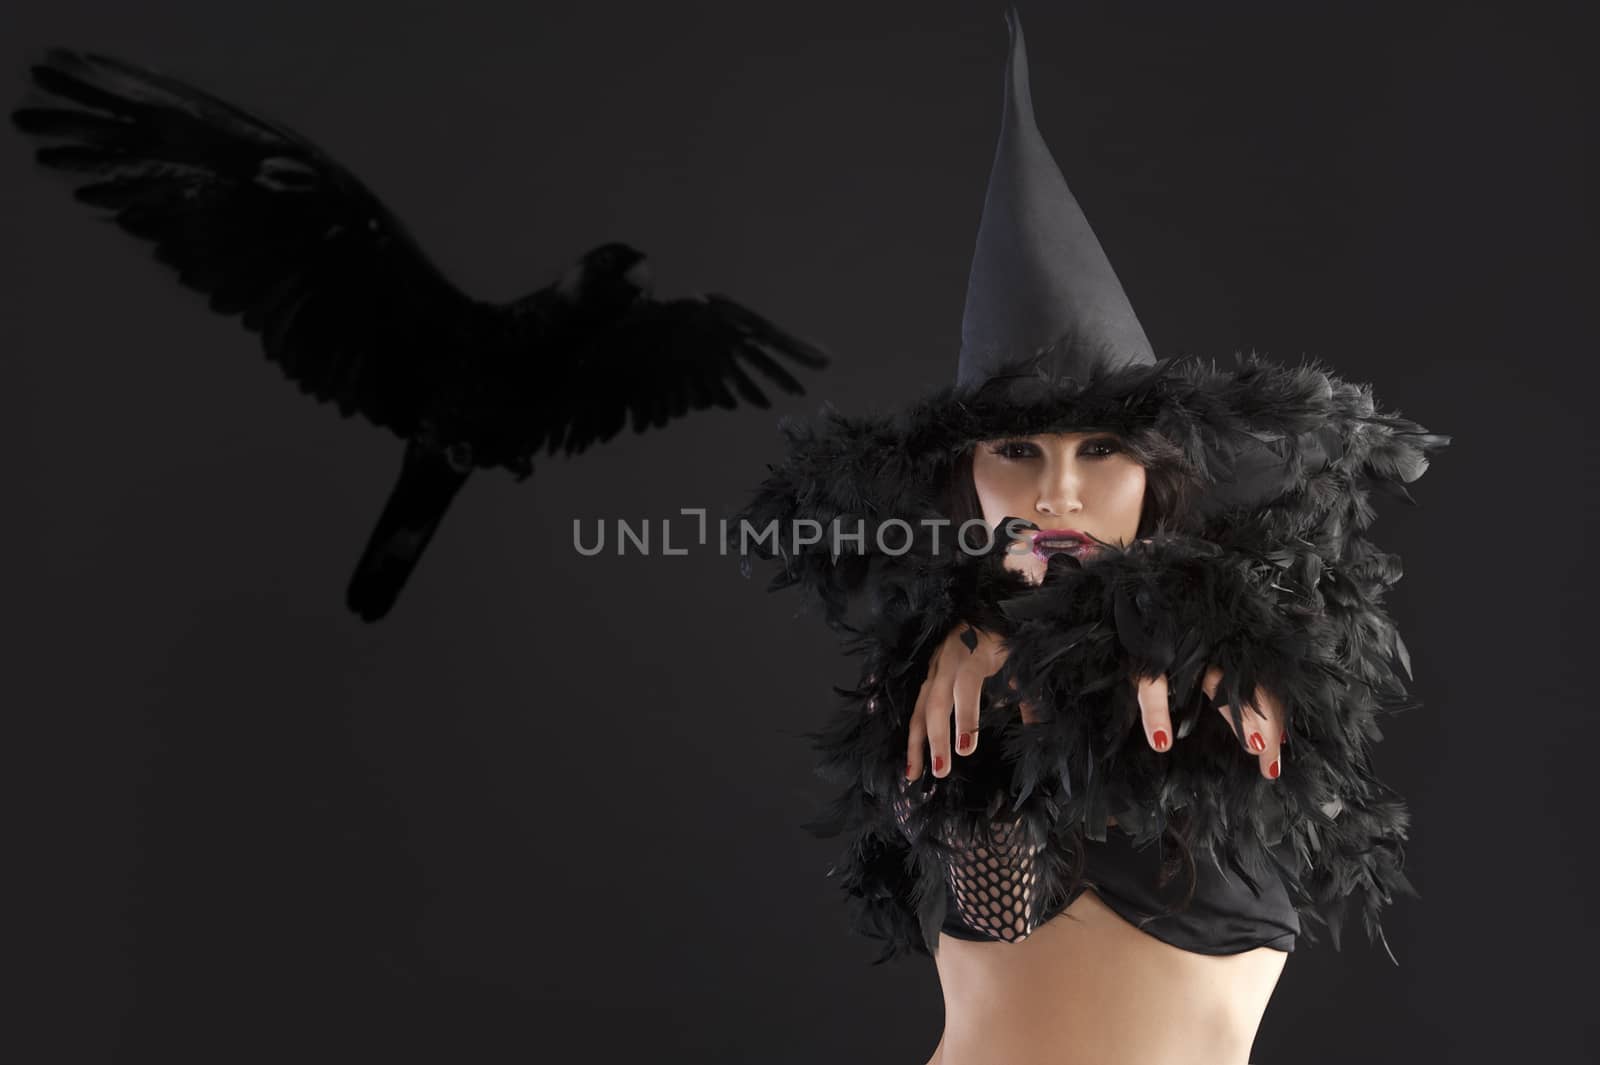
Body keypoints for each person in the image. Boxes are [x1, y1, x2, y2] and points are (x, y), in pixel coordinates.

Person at [734, 9, 1448, 1065]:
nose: (1057, 494)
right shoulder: (933, 683)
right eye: (1015, 452)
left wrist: (1188, 631)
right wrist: (986, 632)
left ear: (1158, 477)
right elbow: (996, 888)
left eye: (1101, 452)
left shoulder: (1263, 654)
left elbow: (1280, 685)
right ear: (964, 481)